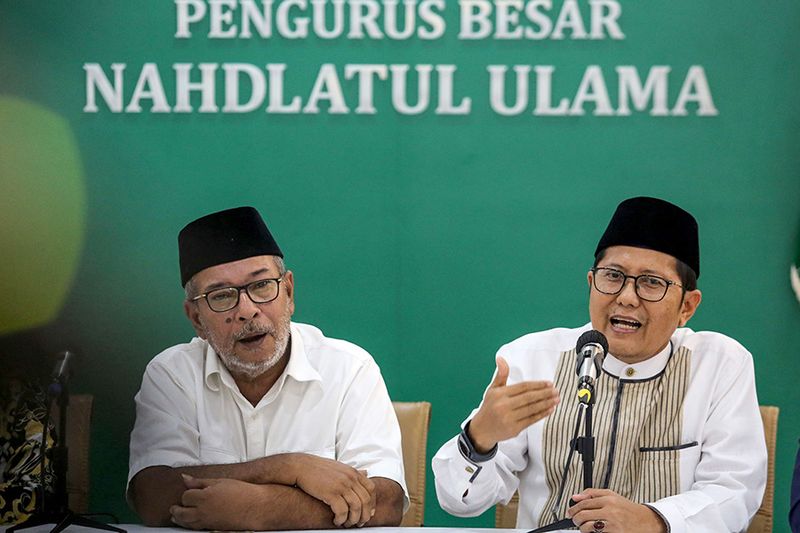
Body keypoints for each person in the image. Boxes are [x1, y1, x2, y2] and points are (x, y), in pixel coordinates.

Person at [432, 197, 767, 533]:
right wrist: (479, 439)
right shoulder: (532, 358)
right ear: (591, 283)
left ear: (687, 307)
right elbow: (459, 502)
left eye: (652, 282)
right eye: (613, 276)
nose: (627, 297)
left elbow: (734, 492)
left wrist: (652, 520)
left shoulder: (719, 365)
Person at [127, 206, 407, 530]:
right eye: (221, 296)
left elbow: (386, 501)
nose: (247, 311)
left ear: (288, 292)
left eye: (261, 286)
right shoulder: (172, 374)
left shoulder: (349, 368)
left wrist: (262, 508)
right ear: (196, 319)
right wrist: (288, 467)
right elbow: (152, 495)